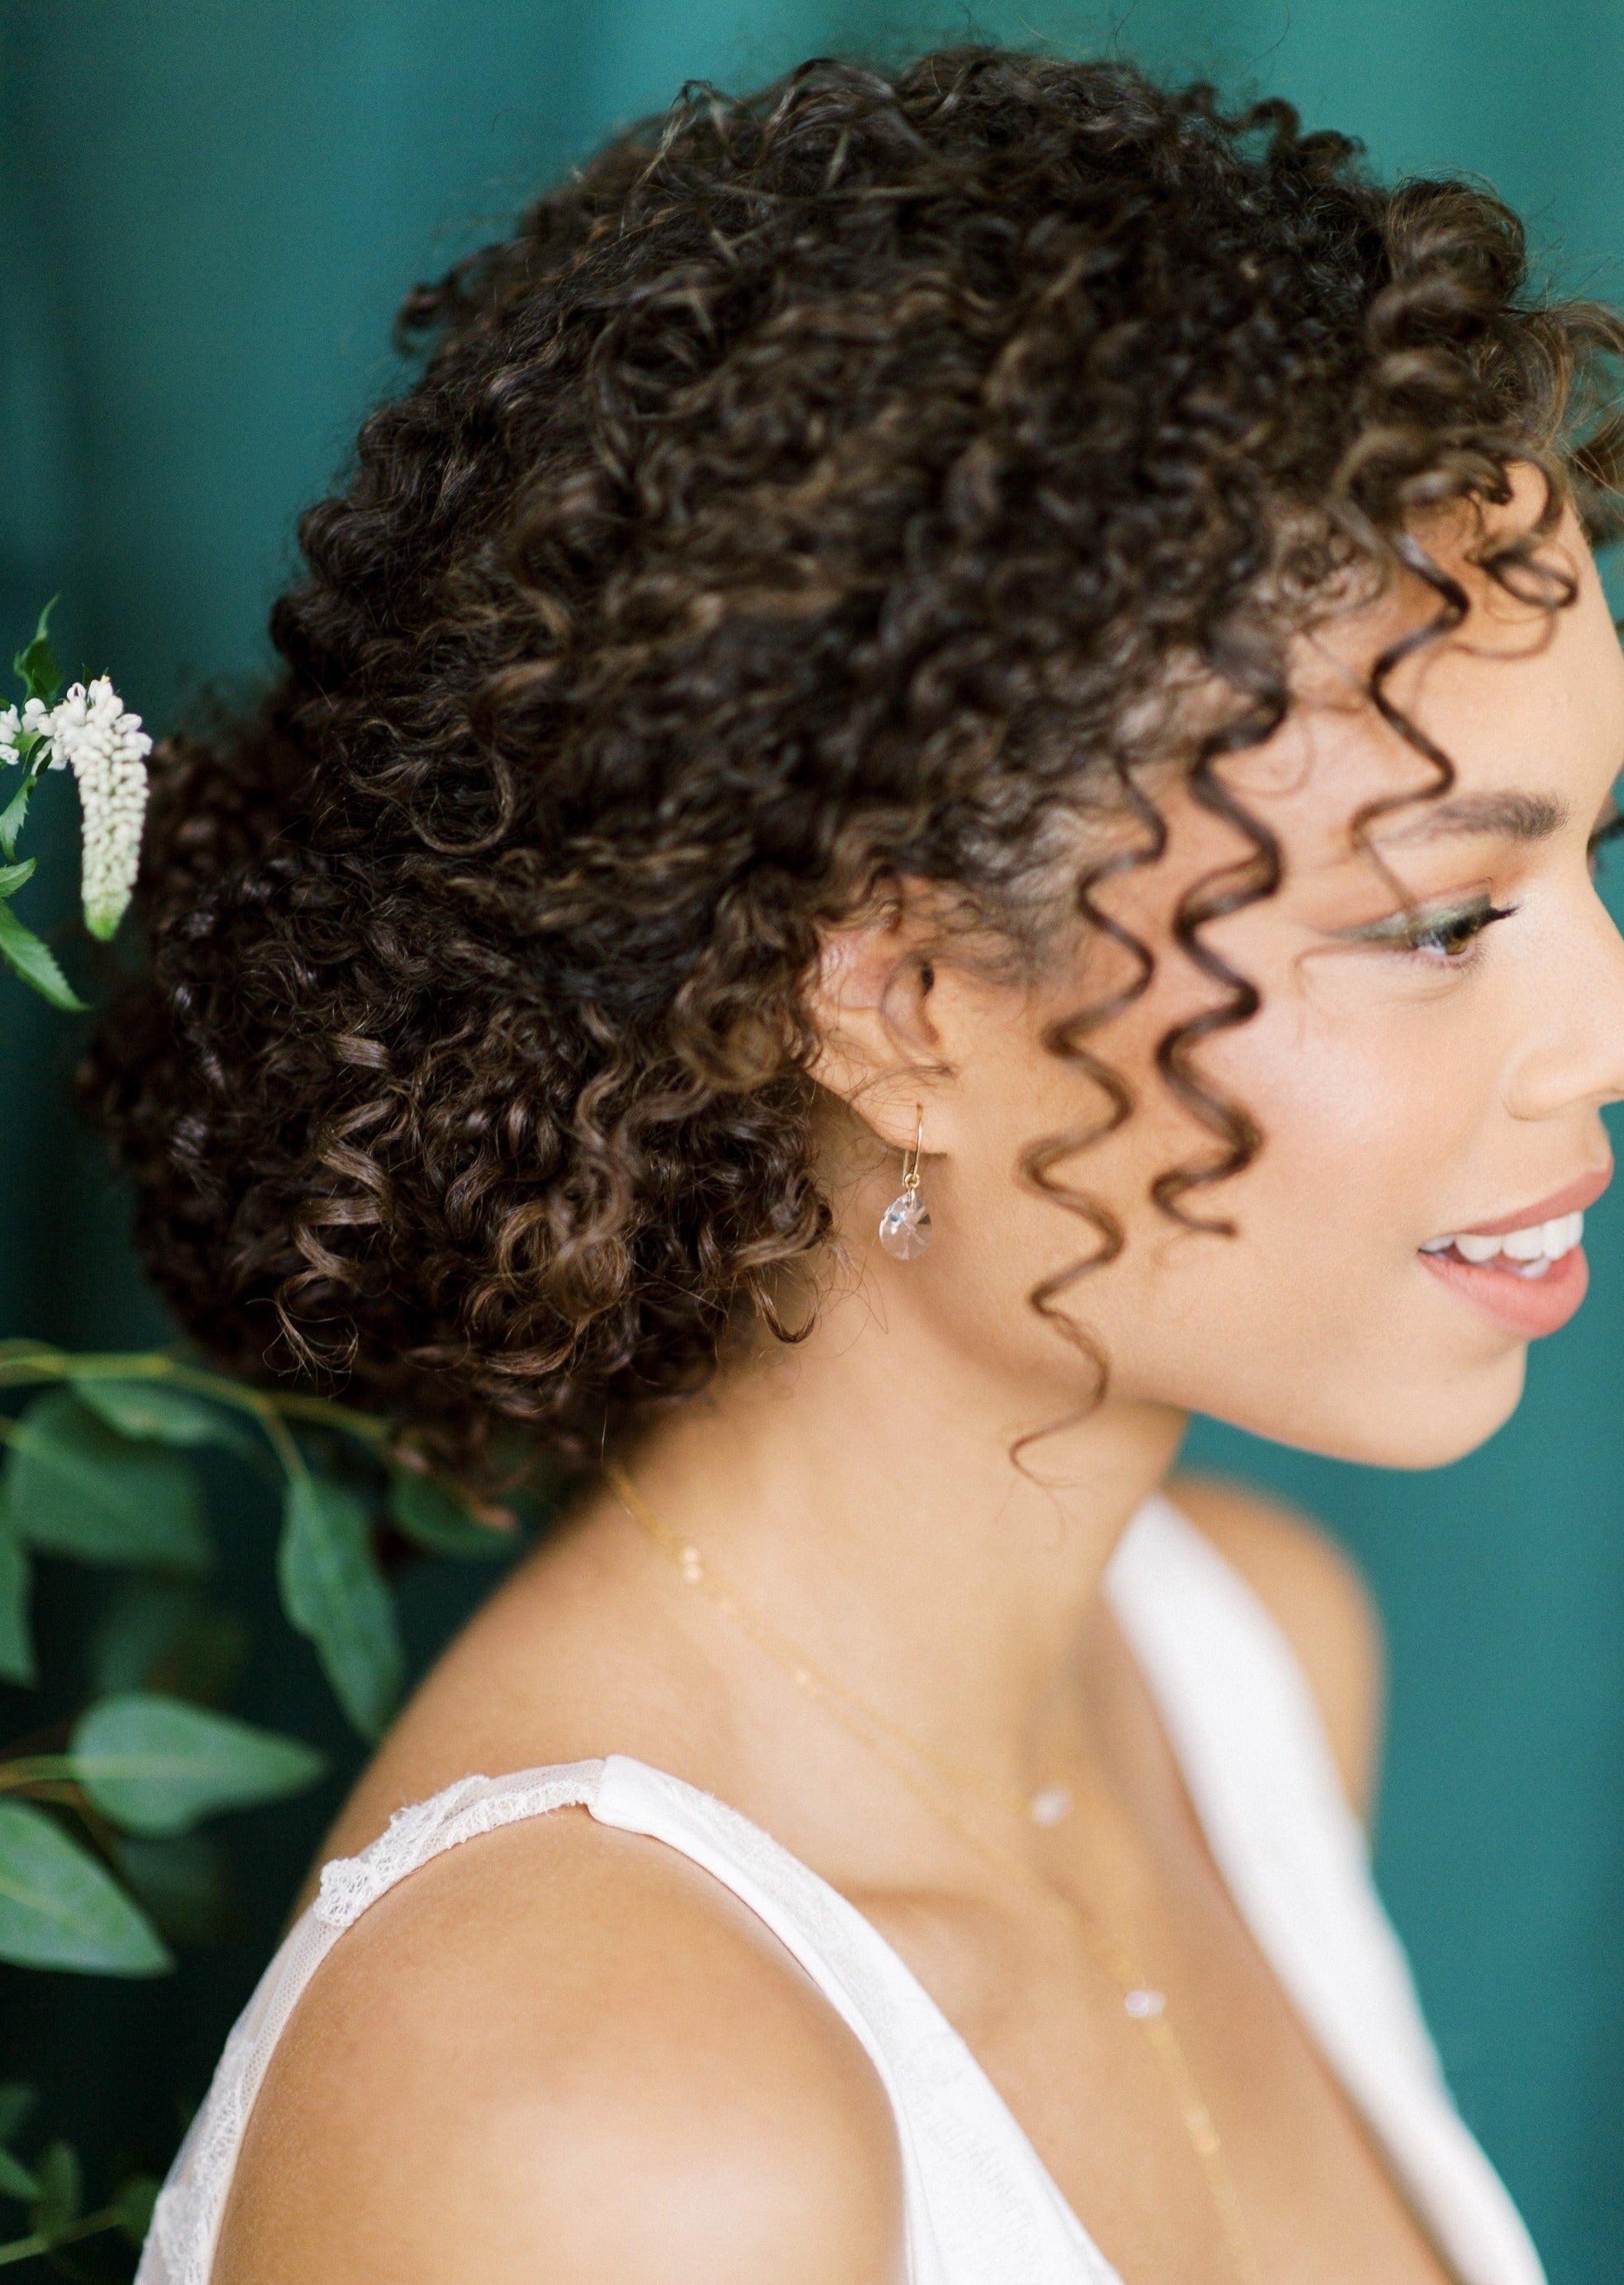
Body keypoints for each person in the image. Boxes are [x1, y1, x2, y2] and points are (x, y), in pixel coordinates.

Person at [89, 47, 1624, 2285]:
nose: (1609, 1033)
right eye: (1437, 919)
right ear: (899, 1002)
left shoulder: (1247, 1673)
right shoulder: (591, 2124)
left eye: (1596, 860)